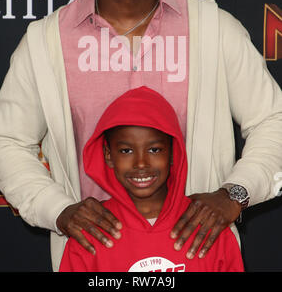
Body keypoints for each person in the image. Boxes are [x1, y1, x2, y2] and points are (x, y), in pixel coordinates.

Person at [0, 0, 282, 272]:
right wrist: (59, 210)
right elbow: (7, 142)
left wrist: (234, 194)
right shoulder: (45, 41)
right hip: (94, 262)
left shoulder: (213, 28)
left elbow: (273, 120)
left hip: (200, 258)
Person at [59, 86, 244, 272]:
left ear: (173, 152)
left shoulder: (209, 225)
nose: (141, 163)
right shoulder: (88, 232)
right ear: (108, 155)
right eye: (126, 151)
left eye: (154, 149)